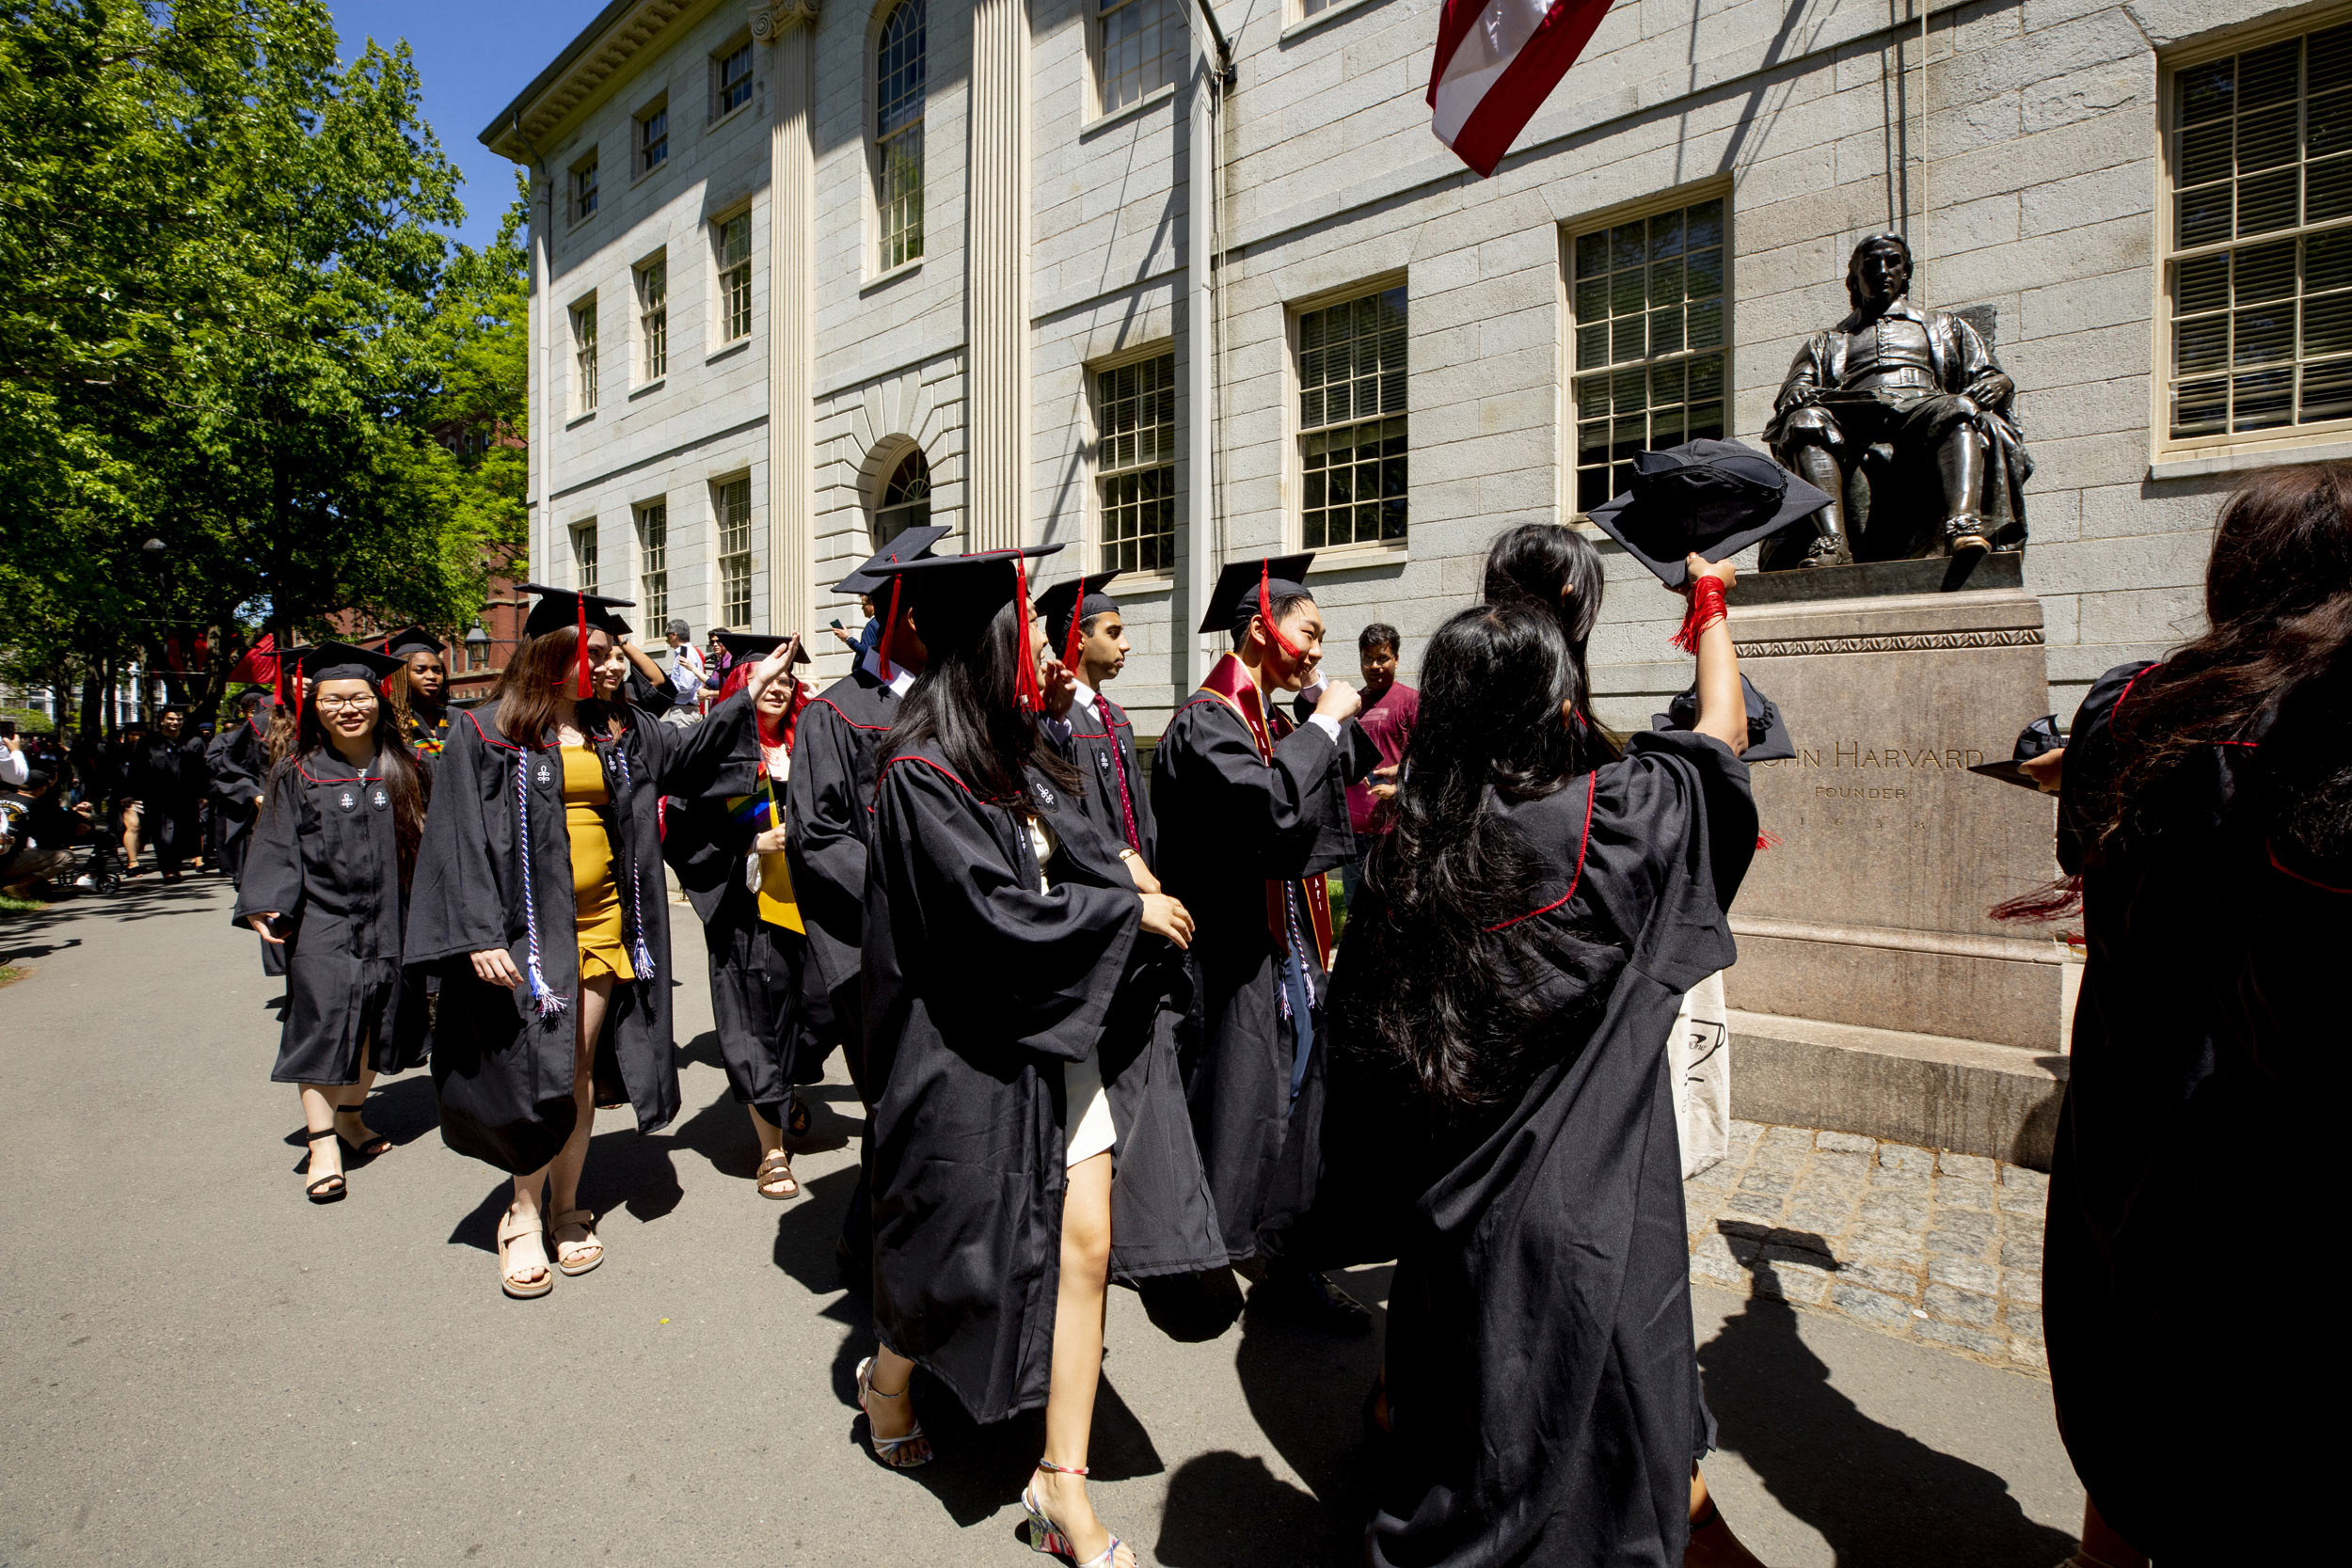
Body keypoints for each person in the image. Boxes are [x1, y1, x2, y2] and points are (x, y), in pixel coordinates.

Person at [1298, 569, 1769, 1568]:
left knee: (1475, 1434)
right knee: (1588, 1455)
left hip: (1452, 1205)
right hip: (1591, 1201)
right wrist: (1710, 602)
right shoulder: (1611, 823)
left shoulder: (1407, 853)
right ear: (1560, 704)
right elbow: (1718, 739)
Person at [855, 548, 1216, 1568]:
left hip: (1058, 1030)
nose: (1048, 665)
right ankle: (887, 1376)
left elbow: (1089, 839)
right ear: (987, 653)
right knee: (956, 1253)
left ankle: (1060, 1479)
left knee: (1085, 1244)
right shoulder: (923, 772)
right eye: (1031, 648)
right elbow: (991, 913)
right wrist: (1123, 912)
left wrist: (1128, 880)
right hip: (970, 1045)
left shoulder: (1016, 755)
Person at [2026, 466, 2349, 1566]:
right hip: (2268, 1147)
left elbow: (2084, 853)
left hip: (2133, 1105)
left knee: (2125, 1374)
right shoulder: (2319, 731)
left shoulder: (2123, 706)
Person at [404, 585, 791, 1298]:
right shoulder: (487, 731)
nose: (616, 667)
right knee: (539, 1068)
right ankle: (520, 1211)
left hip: (605, 922)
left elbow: (690, 751)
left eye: (616, 654)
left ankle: (565, 1204)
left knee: (576, 1064)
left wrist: (746, 694)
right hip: (526, 933)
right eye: (602, 654)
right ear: (556, 656)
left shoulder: (620, 731)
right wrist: (478, 932)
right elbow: (455, 837)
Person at [1150, 554, 1379, 1330]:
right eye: (1309, 632)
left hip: (1283, 951)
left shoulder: (1266, 720)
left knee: (1285, 1105)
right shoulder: (1205, 722)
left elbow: (1342, 767)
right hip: (1228, 959)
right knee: (1241, 1111)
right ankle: (1211, 1260)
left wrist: (1329, 719)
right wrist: (1318, 724)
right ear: (1261, 627)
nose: (1318, 650)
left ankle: (1274, 1258)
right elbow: (1274, 808)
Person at [787, 524, 949, 1271]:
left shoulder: (944, 702)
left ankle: (878, 1240)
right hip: (868, 947)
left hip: (942, 937)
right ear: (911, 616)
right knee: (896, 1097)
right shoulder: (837, 713)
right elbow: (817, 836)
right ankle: (879, 1251)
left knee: (921, 1101)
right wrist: (906, 897)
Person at [232, 643, 430, 1203]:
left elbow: (440, 841)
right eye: (334, 698)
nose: (349, 708)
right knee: (322, 1019)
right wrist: (266, 902)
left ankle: (350, 1115)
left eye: (360, 697)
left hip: (394, 915)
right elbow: (275, 843)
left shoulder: (409, 767)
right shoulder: (297, 772)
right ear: (313, 705)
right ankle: (322, 1143)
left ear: (379, 702)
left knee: (376, 1018)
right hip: (323, 918)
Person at [660, 630, 818, 1199]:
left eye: (785, 679)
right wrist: (752, 847)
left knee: (818, 1011)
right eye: (765, 680)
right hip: (747, 906)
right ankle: (771, 1150)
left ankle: (783, 1090)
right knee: (755, 1021)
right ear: (742, 686)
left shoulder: (808, 745)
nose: (778, 688)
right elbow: (683, 828)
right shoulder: (717, 753)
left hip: (812, 904)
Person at [1036, 570, 1157, 867]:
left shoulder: (1115, 716)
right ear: (1080, 639)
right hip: (1097, 889)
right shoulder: (1053, 724)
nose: (1125, 645)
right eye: (1113, 633)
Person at [1340, 622, 1418, 907]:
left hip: (1395, 830)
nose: (1374, 666)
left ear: (1396, 658)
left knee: (1395, 912)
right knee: (1356, 913)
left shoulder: (1410, 701)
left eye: (1382, 658)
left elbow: (1429, 759)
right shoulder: (1351, 704)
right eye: (1367, 658)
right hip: (1354, 830)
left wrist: (1400, 783)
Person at [123, 706, 208, 881]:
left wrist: (204, 793)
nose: (175, 723)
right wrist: (130, 793)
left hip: (186, 794)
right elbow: (136, 767)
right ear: (162, 720)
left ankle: (176, 864)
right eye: (170, 719)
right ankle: (167, 868)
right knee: (161, 832)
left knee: (182, 831)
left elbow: (202, 770)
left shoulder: (193, 742)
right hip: (156, 794)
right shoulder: (148, 742)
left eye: (179, 719)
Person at [205, 689, 273, 889]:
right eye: (252, 710)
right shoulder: (232, 736)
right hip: (245, 800)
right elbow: (219, 764)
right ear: (245, 711)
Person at [1, 768, 96, 896]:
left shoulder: (3, 796)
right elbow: (49, 832)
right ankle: (21, 886)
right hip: (7, 863)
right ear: (42, 789)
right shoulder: (35, 806)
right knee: (67, 857)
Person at [380, 627, 453, 754]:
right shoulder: (388, 722)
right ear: (400, 675)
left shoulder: (457, 718)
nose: (432, 676)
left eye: (437, 671)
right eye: (420, 670)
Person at [660, 618, 707, 727]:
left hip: (683, 710)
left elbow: (686, 685)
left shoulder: (685, 653)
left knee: (679, 743)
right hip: (686, 709)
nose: (667, 639)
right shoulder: (689, 651)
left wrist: (668, 688)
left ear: (674, 635)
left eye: (667, 635)